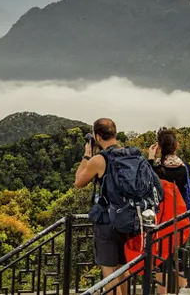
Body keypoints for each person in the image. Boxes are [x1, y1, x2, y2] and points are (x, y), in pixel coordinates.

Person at [75, 118, 129, 295]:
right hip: (129, 218)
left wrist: (86, 156)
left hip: (107, 221)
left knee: (109, 272)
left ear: (97, 137)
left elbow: (79, 182)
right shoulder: (130, 154)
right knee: (123, 269)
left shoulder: (99, 159)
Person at [148, 128, 190, 293]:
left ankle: (162, 293)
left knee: (160, 259)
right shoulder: (185, 168)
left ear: (159, 146)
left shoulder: (157, 170)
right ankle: (184, 291)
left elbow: (147, 179)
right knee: (179, 258)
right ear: (176, 146)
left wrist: (151, 158)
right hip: (181, 217)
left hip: (161, 218)